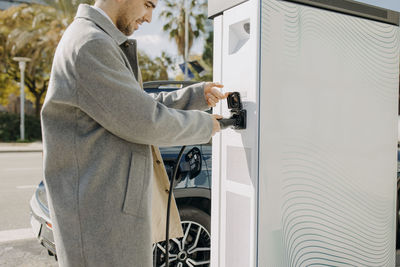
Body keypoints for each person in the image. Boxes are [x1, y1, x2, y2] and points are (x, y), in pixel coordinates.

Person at [40, 0, 227, 266]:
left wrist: (196, 95)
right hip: (100, 223)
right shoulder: (90, 44)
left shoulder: (97, 40)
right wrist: (207, 125)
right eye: (148, 4)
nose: (150, 17)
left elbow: (135, 107)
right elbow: (146, 122)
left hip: (105, 215)